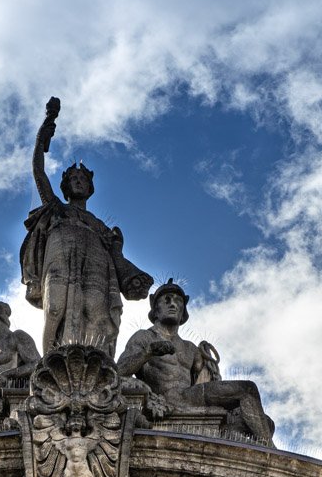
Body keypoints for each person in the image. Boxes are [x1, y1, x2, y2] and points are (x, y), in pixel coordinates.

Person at [20, 97, 153, 357]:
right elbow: (38, 171)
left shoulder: (101, 227)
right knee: (56, 309)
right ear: (65, 186)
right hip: (60, 259)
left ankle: (98, 366)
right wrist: (43, 134)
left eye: (82, 179)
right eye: (73, 178)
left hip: (96, 264)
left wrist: (120, 253)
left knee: (97, 314)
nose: (78, 181)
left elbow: (118, 260)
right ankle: (51, 362)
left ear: (90, 187)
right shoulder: (56, 208)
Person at [117, 280, 276, 445]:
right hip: (164, 399)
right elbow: (119, 371)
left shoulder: (190, 348)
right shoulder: (144, 337)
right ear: (155, 310)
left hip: (190, 397)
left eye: (178, 301)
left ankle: (268, 447)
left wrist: (210, 367)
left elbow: (205, 382)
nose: (173, 304)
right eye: (166, 299)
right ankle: (269, 451)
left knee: (247, 389)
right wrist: (148, 352)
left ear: (183, 312)